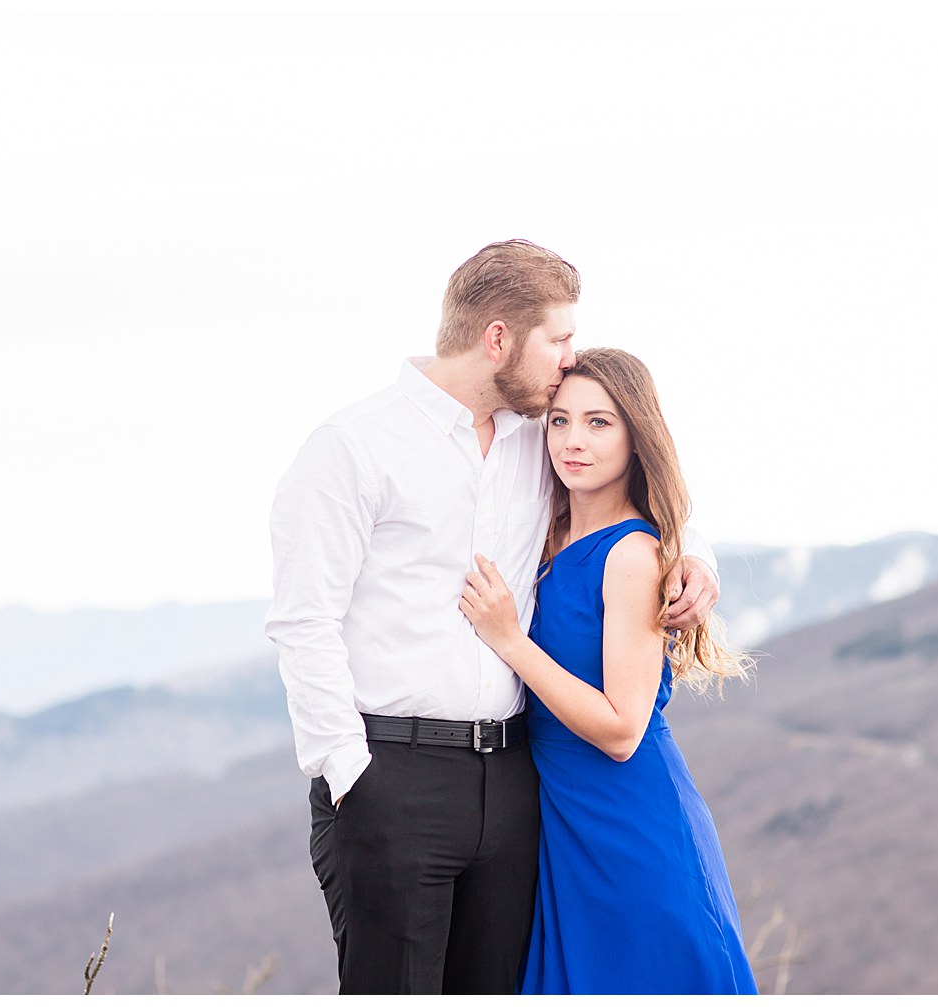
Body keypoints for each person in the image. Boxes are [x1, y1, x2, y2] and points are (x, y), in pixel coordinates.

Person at [263, 241, 723, 995]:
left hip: (516, 783)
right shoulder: (353, 448)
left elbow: (631, 489)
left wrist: (696, 555)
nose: (569, 359)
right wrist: (350, 775)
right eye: (560, 339)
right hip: (392, 775)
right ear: (499, 338)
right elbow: (302, 622)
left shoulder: (535, 440)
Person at [459, 347, 758, 995]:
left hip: (629, 824)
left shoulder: (631, 554)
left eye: (599, 423)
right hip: (563, 827)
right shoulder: (545, 533)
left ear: (635, 433)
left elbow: (622, 728)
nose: (574, 440)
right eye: (560, 421)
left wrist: (510, 639)